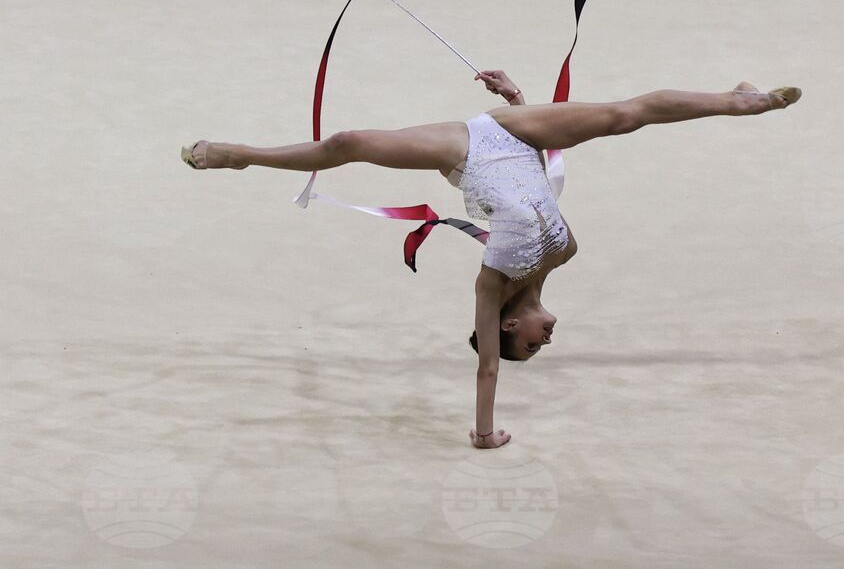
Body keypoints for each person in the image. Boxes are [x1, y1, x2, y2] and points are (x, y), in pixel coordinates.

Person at [181, 70, 801, 448]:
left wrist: (483, 433)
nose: (546, 341)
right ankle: (740, 100)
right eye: (540, 347)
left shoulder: (491, 283)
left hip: (468, 150)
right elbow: (538, 187)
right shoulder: (560, 258)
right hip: (518, 136)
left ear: (507, 327)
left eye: (530, 345)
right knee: (621, 116)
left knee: (346, 142)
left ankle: (243, 155)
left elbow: (486, 371)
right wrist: (521, 100)